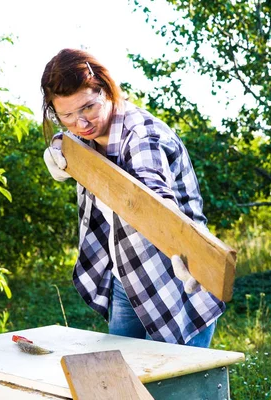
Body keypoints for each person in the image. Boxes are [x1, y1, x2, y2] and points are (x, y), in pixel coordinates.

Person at [40, 48, 225, 348]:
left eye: (87, 108)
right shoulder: (85, 136)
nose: (81, 123)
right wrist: (61, 146)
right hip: (126, 279)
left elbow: (154, 193)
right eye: (67, 116)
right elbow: (70, 138)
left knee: (176, 387)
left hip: (177, 283)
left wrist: (178, 239)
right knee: (122, 384)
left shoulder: (141, 137)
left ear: (106, 89)